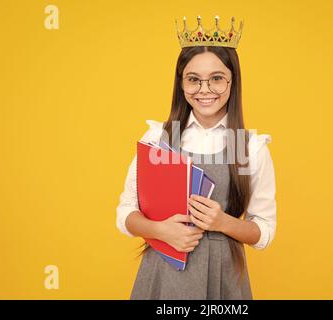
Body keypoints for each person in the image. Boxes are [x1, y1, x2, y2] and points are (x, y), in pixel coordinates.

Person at [116, 15, 277, 299]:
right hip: (162, 274)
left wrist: (222, 222)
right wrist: (160, 230)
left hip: (223, 278)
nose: (205, 90)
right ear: (181, 83)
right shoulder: (159, 139)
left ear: (232, 81)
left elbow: (263, 231)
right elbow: (126, 213)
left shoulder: (249, 146)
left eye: (216, 79)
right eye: (194, 80)